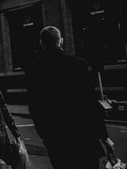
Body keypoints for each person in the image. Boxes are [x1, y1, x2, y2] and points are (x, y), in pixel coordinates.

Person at [26, 26, 115, 169]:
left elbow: (34, 107)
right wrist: (104, 137)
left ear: (41, 43)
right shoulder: (78, 64)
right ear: (61, 41)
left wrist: (45, 134)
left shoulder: (33, 69)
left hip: (56, 138)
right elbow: (90, 103)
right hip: (83, 136)